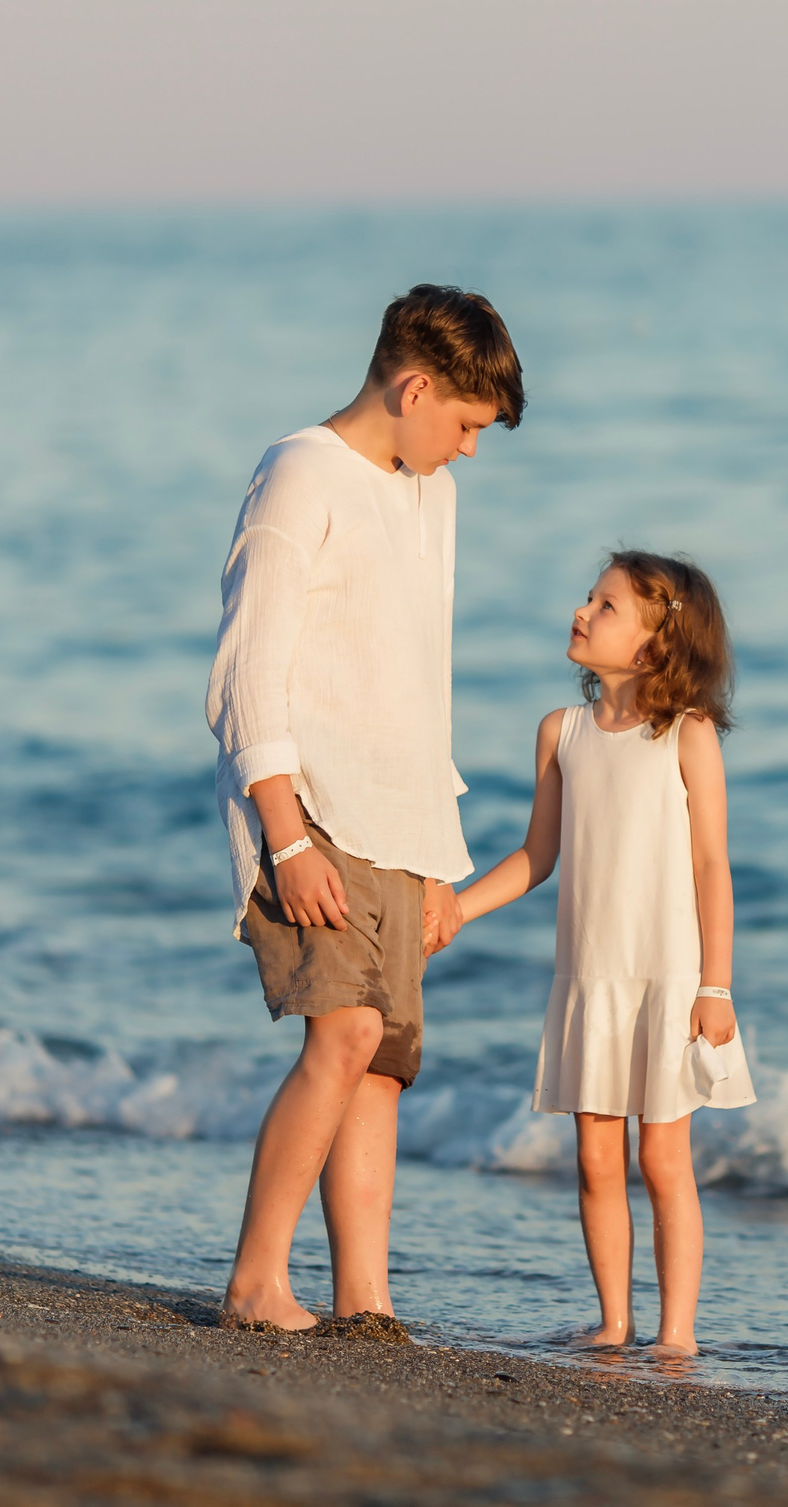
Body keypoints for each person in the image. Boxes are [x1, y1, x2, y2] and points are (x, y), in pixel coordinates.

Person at [206, 285, 524, 1331]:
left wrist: (439, 853)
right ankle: (256, 1282)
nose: (471, 450)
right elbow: (249, 669)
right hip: (314, 814)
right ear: (415, 386)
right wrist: (285, 835)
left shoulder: (428, 496)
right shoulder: (301, 473)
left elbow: (418, 679)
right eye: (467, 425)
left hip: (401, 821)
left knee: (382, 1065)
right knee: (339, 1036)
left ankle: (365, 1299)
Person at [457, 551, 755, 1355]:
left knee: (663, 1158)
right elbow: (535, 856)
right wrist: (456, 908)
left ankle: (677, 1334)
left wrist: (716, 987)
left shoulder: (686, 735)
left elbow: (710, 865)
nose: (583, 611)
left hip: (669, 978)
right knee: (595, 1159)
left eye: (608, 605)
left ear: (656, 646)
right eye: (590, 597)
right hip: (591, 976)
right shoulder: (563, 731)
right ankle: (615, 1320)